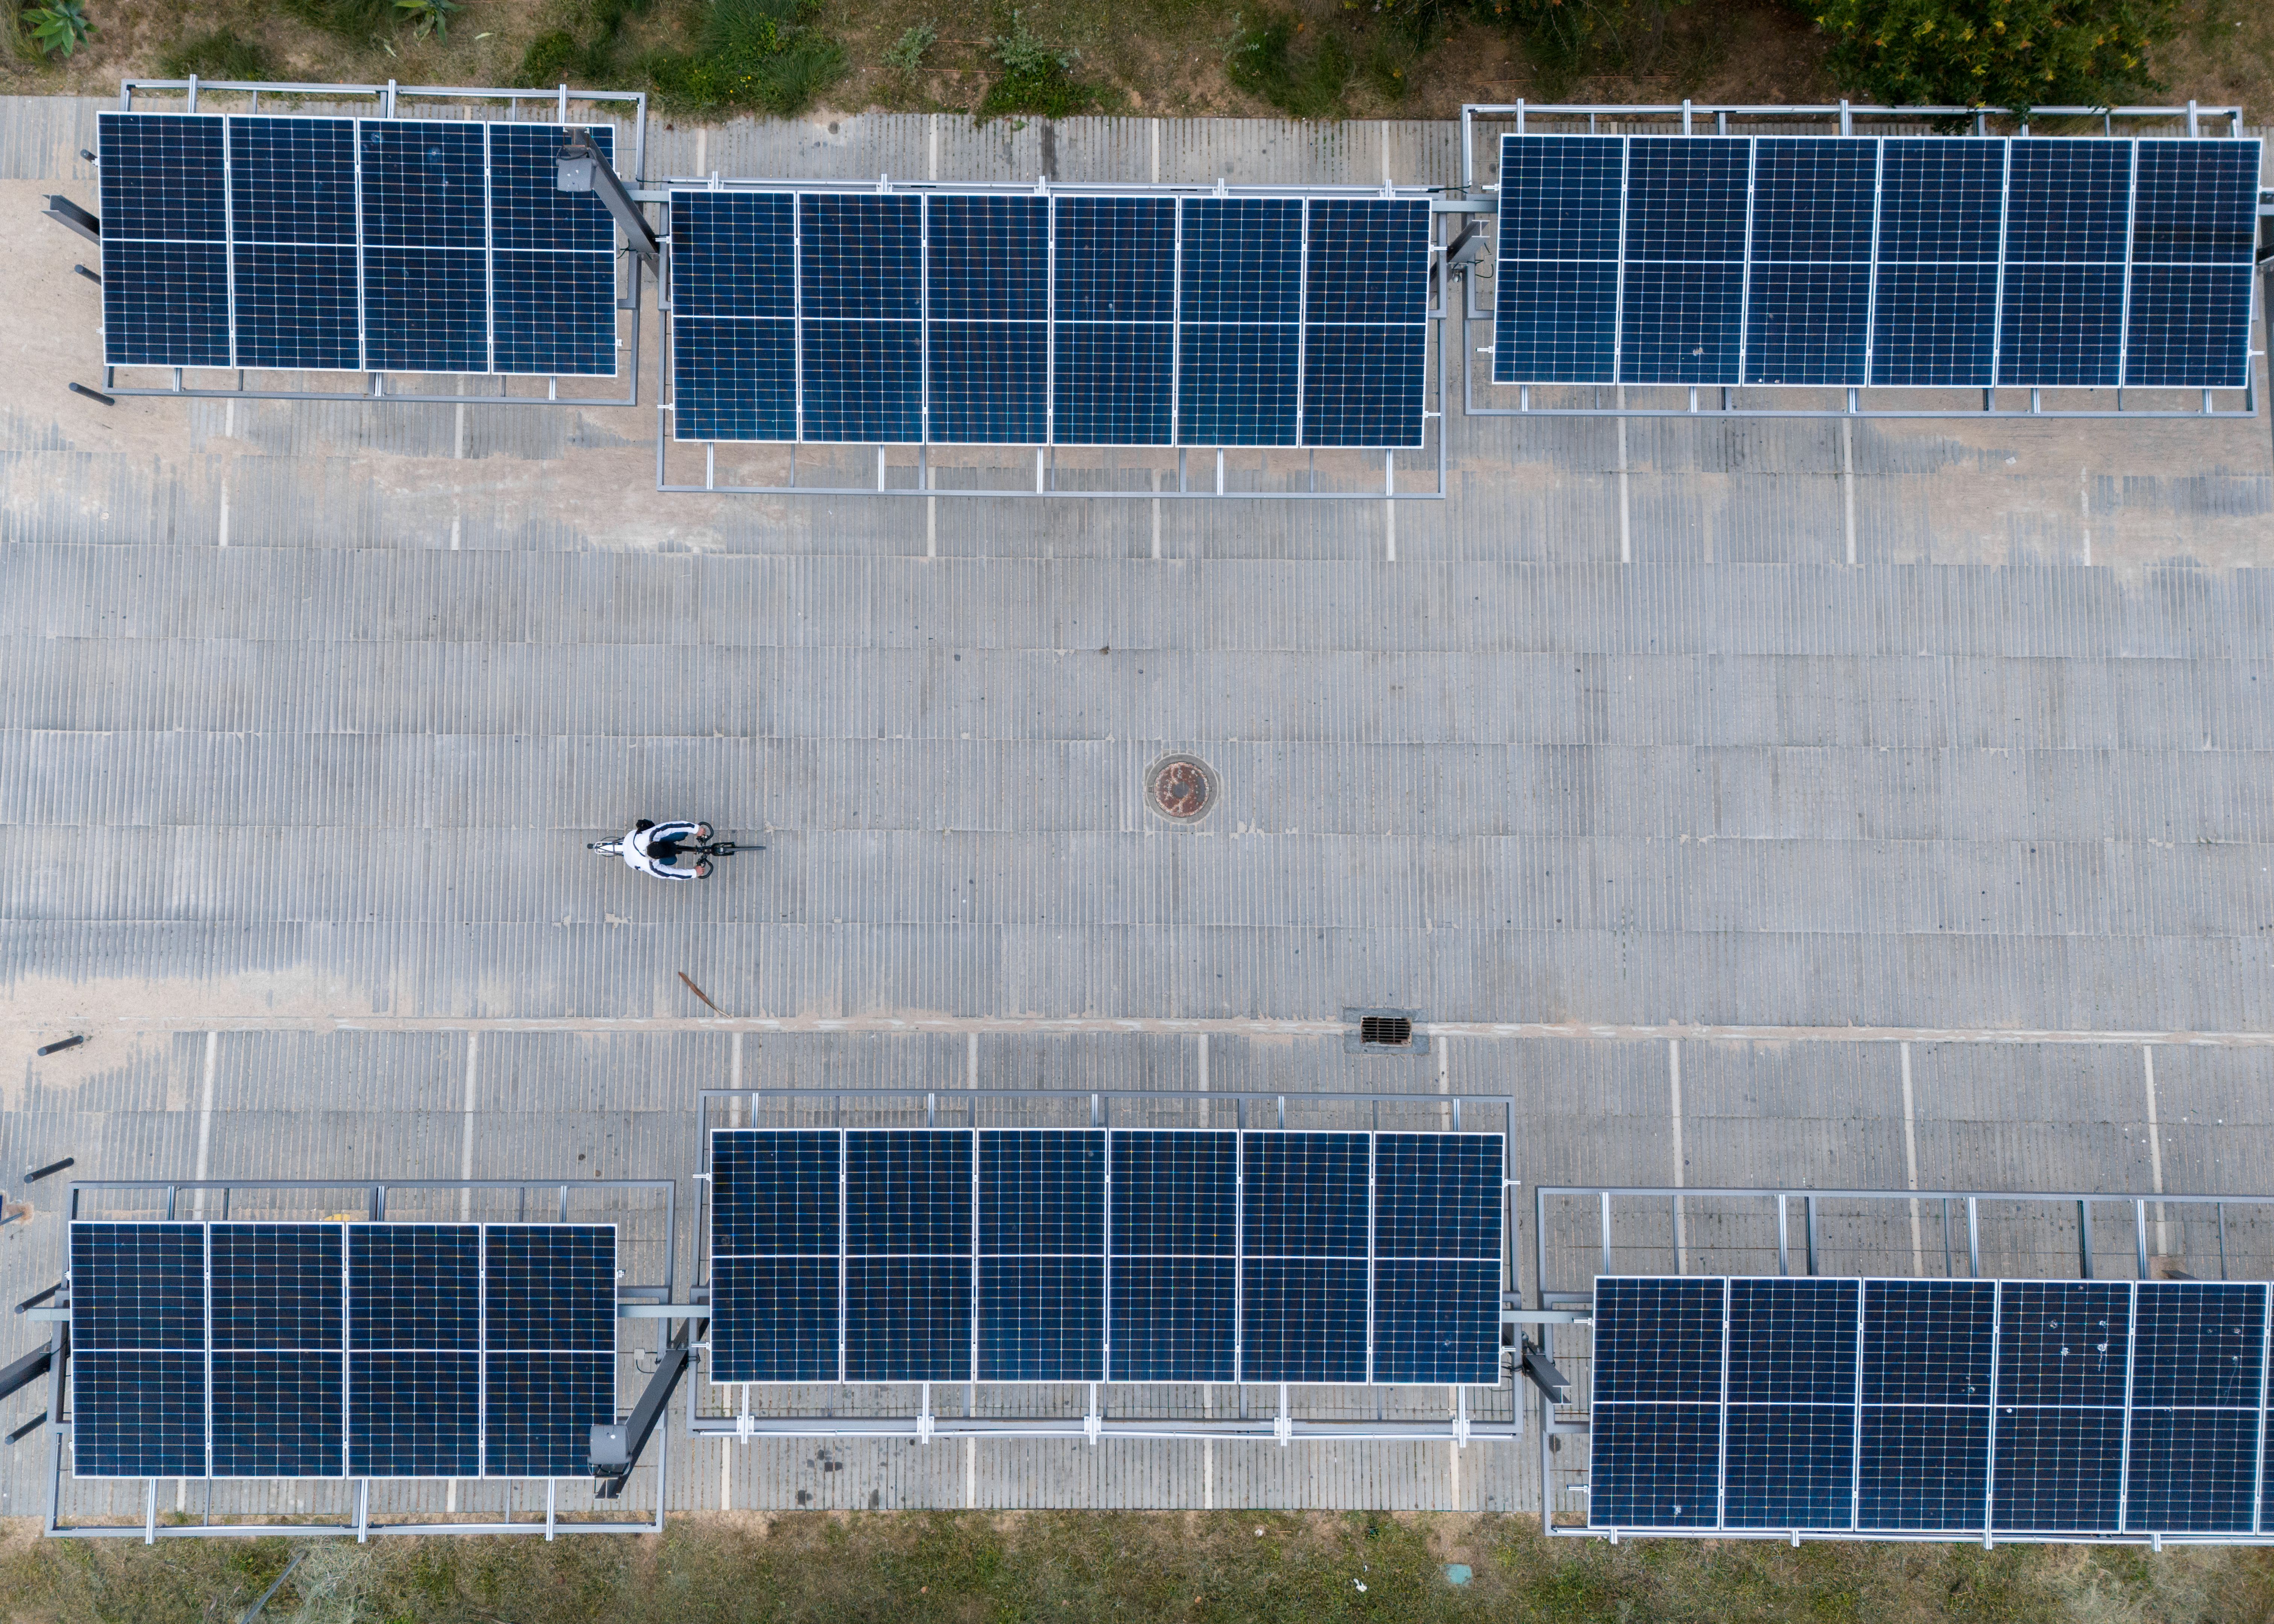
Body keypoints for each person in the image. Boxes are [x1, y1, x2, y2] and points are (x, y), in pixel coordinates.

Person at [590, 819, 713, 881]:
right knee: (672, 861)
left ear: (654, 842)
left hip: (633, 838)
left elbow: (671, 827)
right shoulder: (652, 867)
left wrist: (695, 829)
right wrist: (694, 873)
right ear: (656, 860)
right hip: (632, 860)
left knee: (681, 835)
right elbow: (671, 874)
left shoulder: (650, 836)